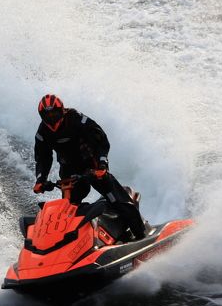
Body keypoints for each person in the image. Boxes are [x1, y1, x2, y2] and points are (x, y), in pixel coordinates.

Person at [32, 94, 147, 239]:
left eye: (54, 113)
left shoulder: (77, 119)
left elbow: (101, 140)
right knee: (67, 212)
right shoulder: (42, 132)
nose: (51, 118)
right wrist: (40, 180)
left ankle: (141, 235)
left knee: (119, 201)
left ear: (61, 110)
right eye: (47, 115)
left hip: (93, 166)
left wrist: (102, 164)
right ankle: (71, 249)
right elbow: (42, 157)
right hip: (69, 172)